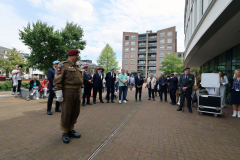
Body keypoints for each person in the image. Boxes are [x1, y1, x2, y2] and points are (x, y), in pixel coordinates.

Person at [53, 49, 84, 144]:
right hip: (67, 91)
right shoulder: (62, 65)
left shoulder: (78, 66)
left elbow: (81, 79)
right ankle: (65, 132)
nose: (77, 57)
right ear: (70, 55)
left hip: (77, 91)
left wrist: (82, 88)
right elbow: (57, 79)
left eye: (78, 55)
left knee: (75, 112)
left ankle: (71, 129)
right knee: (66, 112)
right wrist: (58, 93)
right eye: (76, 55)